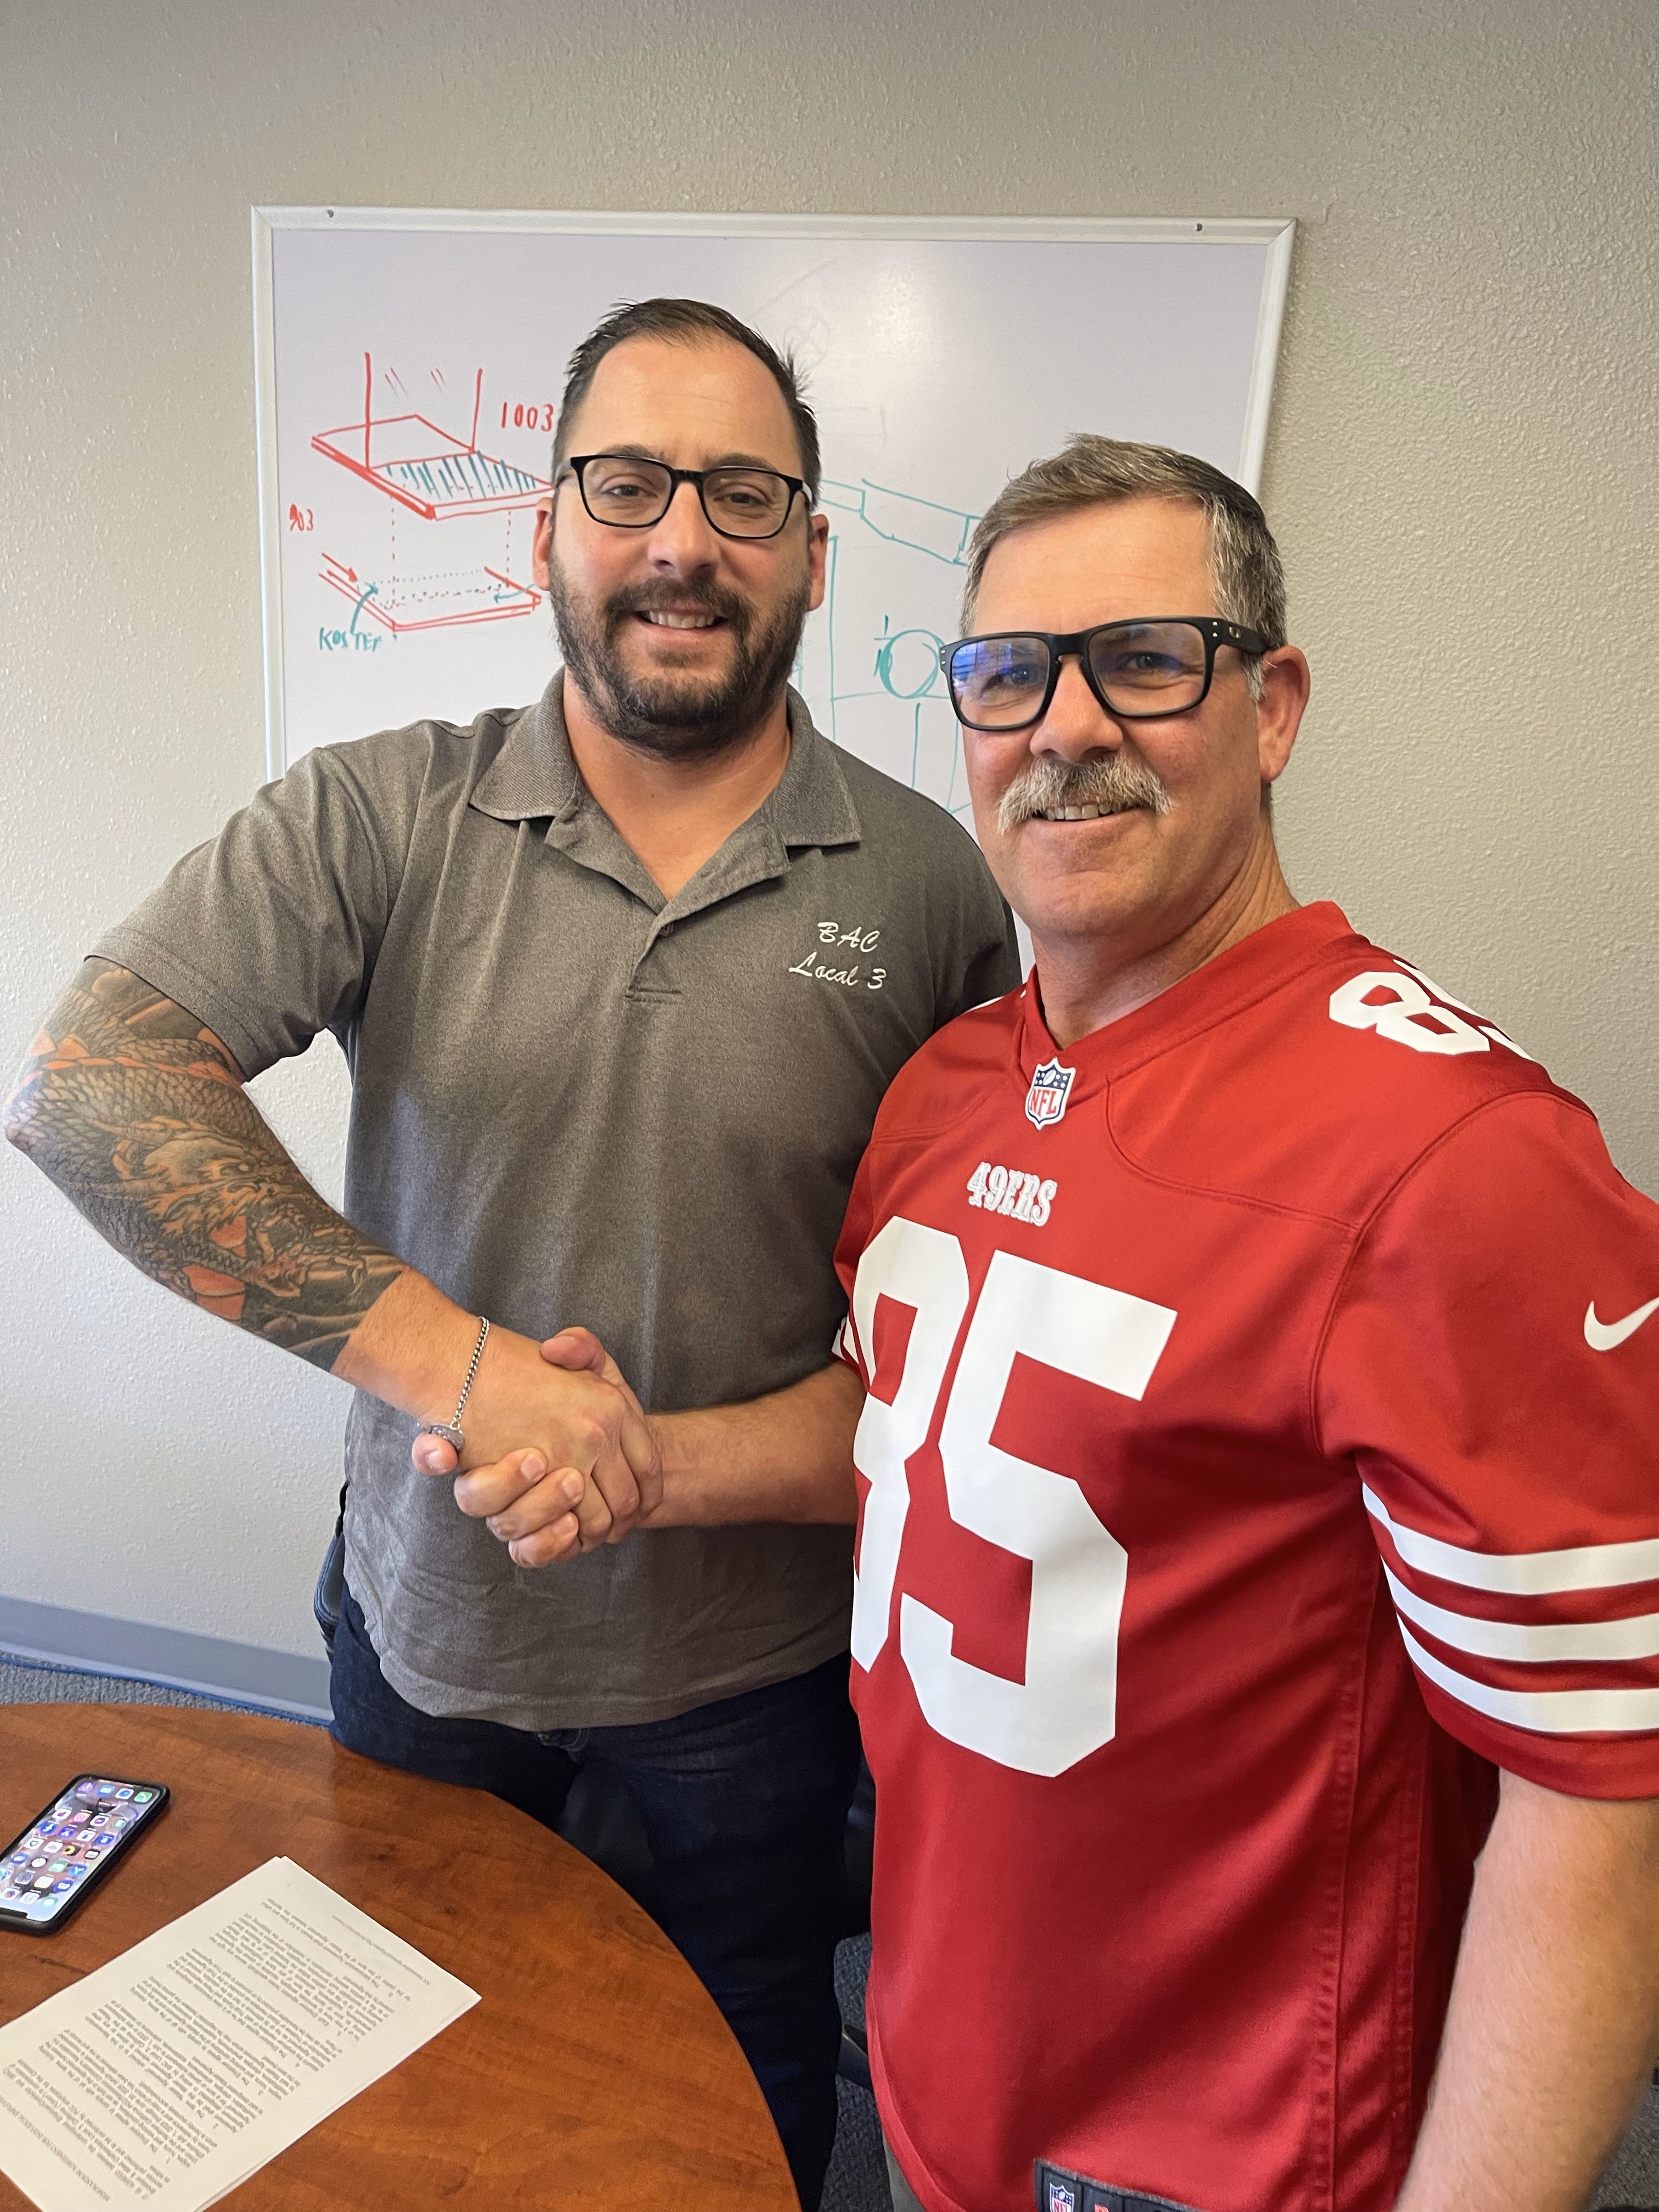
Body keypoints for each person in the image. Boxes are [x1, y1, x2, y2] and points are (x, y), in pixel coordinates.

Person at [459, 436, 1659, 2212]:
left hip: (1235, 2151)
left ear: (1272, 707)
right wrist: (644, 1462)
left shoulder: (1458, 1163)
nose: (1065, 726)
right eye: (1007, 675)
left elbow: (1599, 1797)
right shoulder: (955, 1080)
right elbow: (913, 1437)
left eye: (1147, 661)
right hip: (952, 2057)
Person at [4, 296, 1019, 2208]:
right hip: (430, 1641)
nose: (680, 539)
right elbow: (90, 1086)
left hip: (762, 1677)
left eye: (742, 491)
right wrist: (470, 1377)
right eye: (625, 481)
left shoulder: (933, 887)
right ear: (541, 531)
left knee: (741, 2094)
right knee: (405, 2084)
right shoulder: (381, 811)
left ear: (811, 548)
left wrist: (664, 1467)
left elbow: (959, 1329)